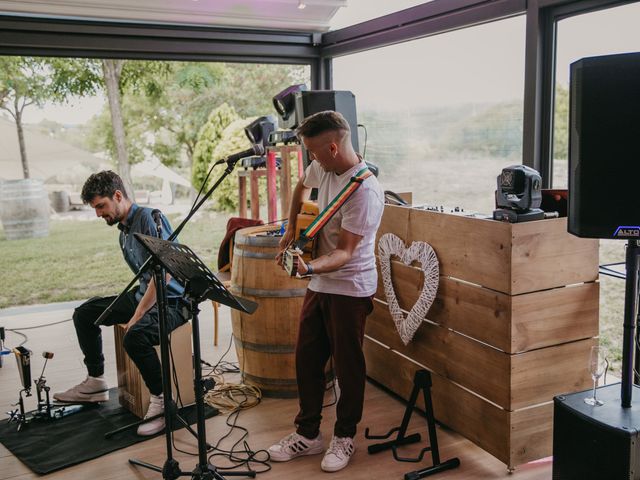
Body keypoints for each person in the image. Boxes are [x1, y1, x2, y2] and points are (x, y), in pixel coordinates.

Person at [268, 111, 384, 472]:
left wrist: (308, 267)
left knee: (348, 366)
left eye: (314, 151)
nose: (310, 158)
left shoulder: (365, 192)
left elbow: (346, 252)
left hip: (350, 287)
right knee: (307, 358)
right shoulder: (324, 166)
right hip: (321, 283)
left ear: (333, 147)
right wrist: (290, 227)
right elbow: (301, 186)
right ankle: (308, 434)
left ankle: (345, 436)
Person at [53, 170, 187, 436]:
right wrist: (136, 307)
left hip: (172, 301)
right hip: (144, 295)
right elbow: (146, 280)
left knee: (135, 337)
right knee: (85, 314)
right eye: (94, 208)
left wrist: (137, 316)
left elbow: (165, 275)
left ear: (118, 196)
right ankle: (96, 381)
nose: (98, 213)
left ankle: (162, 403)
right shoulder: (123, 233)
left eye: (101, 206)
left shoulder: (149, 218)